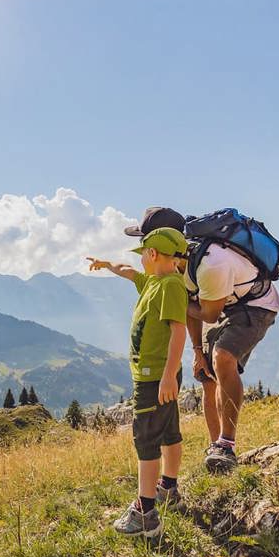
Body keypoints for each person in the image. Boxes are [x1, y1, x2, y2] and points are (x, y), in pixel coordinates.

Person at [87, 227, 188, 537]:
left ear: (153, 254)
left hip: (155, 378)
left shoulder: (170, 286)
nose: (140, 259)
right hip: (160, 376)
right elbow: (128, 271)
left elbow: (178, 331)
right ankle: (168, 488)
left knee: (146, 439)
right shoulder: (153, 281)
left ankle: (145, 511)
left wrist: (168, 375)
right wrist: (107, 265)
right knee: (169, 432)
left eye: (143, 252)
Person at [185, 239, 279, 473]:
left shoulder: (211, 264)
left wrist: (176, 303)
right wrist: (197, 351)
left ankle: (226, 445)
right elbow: (193, 308)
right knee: (206, 373)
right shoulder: (179, 267)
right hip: (222, 304)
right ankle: (215, 448)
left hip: (256, 306)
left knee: (223, 357)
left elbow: (206, 314)